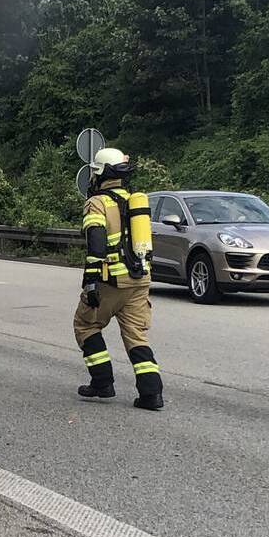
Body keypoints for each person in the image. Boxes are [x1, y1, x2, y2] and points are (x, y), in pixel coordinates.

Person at [74, 147, 164, 410]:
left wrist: (90, 280)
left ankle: (102, 382)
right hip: (140, 280)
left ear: (100, 173)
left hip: (110, 280)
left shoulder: (97, 203)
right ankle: (151, 394)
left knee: (86, 325)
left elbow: (96, 242)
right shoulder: (135, 201)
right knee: (137, 336)